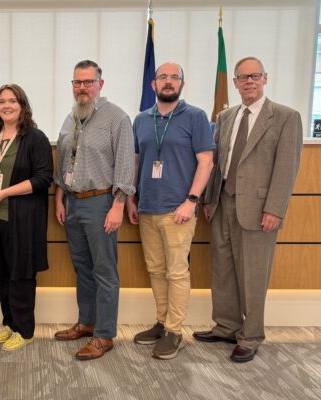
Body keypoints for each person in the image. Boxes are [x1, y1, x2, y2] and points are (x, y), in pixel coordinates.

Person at [194, 57, 303, 362]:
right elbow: (217, 163)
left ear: (265, 79)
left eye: (255, 76)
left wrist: (275, 209)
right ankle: (227, 326)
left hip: (259, 209)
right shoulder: (226, 116)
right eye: (243, 77)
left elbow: (287, 168)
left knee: (254, 273)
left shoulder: (285, 117)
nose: (249, 81)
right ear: (236, 83)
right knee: (223, 268)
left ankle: (251, 335)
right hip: (223, 203)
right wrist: (210, 199)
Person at [127, 62, 215, 359]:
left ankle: (175, 331)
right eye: (162, 77)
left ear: (182, 84)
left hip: (178, 209)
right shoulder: (141, 119)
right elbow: (137, 162)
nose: (168, 82)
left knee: (177, 272)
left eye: (174, 77)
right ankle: (162, 323)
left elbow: (206, 161)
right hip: (147, 207)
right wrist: (130, 199)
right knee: (155, 269)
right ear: (153, 84)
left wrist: (191, 200)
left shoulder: (196, 117)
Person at [53, 60, 135, 360]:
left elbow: (126, 165)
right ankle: (86, 323)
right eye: (77, 82)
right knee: (82, 268)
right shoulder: (72, 117)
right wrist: (59, 197)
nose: (82, 88)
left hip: (102, 203)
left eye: (88, 82)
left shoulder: (117, 119)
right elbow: (65, 162)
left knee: (104, 271)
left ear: (100, 84)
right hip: (73, 203)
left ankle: (104, 335)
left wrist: (118, 206)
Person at [0, 84, 53, 352]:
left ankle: (25, 329)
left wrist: (4, 193)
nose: (6, 106)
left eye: (12, 101)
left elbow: (43, 179)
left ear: (22, 105)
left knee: (20, 276)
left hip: (20, 222)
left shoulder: (35, 138)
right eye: (1, 101)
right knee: (1, 275)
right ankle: (9, 323)